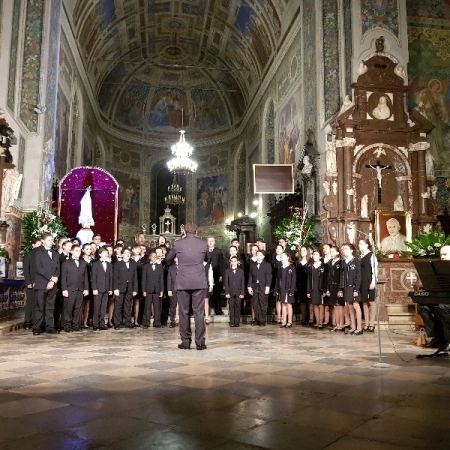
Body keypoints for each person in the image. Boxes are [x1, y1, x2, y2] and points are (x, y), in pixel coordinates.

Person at [165, 222, 208, 350]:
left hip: (183, 281)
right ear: (196, 232)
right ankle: (200, 342)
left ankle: (185, 342)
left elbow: (168, 258)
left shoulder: (178, 244)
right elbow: (208, 259)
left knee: (183, 312)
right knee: (199, 312)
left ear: (184, 231)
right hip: (199, 280)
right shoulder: (203, 243)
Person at [417, 245, 450, 352]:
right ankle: (438, 338)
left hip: (446, 302)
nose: (442, 257)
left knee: (442, 307)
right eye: (441, 255)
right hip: (443, 299)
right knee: (423, 306)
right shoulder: (438, 268)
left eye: (445, 254)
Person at [32, 233, 60, 335]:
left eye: (52, 240)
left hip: (52, 284)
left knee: (50, 306)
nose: (51, 242)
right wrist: (50, 278)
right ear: (43, 241)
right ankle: (37, 327)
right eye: (49, 240)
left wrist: (53, 280)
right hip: (41, 283)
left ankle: (50, 326)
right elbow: (39, 268)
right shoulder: (37, 252)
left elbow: (57, 268)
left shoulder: (55, 253)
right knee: (39, 306)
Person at [60, 245, 89, 332]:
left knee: (78, 308)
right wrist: (64, 289)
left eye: (79, 251)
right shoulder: (66, 262)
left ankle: (76, 324)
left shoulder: (83, 263)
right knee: (68, 308)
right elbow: (63, 277)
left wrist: (86, 288)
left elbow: (85, 277)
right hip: (69, 289)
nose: (78, 252)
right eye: (76, 250)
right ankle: (67, 324)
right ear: (71, 251)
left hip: (80, 289)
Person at [113, 248, 138, 329]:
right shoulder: (117, 264)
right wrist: (115, 288)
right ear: (122, 254)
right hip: (120, 287)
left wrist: (135, 289)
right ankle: (117, 323)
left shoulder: (133, 264)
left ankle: (127, 322)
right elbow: (115, 277)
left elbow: (135, 278)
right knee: (118, 306)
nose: (127, 254)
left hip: (130, 287)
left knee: (128, 306)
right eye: (126, 253)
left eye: (129, 253)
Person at [341, 244, 363, 335]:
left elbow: (359, 276)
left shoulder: (356, 261)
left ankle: (359, 327)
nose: (344, 251)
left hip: (353, 287)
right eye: (343, 249)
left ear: (351, 251)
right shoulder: (344, 262)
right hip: (347, 288)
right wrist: (341, 289)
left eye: (346, 249)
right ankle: (353, 326)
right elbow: (342, 276)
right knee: (350, 307)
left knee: (355, 306)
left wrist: (356, 289)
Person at [247, 250, 272, 326]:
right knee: (255, 303)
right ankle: (256, 319)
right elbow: (250, 276)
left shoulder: (267, 265)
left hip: (263, 286)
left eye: (260, 255)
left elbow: (268, 276)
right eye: (257, 255)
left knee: (263, 303)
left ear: (263, 257)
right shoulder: (253, 265)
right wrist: (249, 287)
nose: (259, 257)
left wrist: (267, 287)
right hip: (255, 286)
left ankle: (262, 320)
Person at [91, 247, 112, 331]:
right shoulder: (95, 264)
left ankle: (102, 323)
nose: (106, 254)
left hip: (106, 288)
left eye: (107, 253)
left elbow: (110, 277)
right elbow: (93, 277)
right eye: (104, 253)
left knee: (104, 307)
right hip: (98, 289)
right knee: (96, 307)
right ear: (99, 254)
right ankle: (95, 323)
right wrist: (94, 288)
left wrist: (110, 288)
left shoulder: (109, 265)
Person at [307, 249, 329, 329]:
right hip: (313, 288)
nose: (315, 256)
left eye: (316, 255)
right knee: (315, 305)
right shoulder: (310, 267)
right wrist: (308, 290)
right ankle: (317, 321)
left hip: (321, 289)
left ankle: (321, 322)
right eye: (314, 254)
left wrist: (325, 290)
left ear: (320, 257)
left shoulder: (324, 266)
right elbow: (309, 279)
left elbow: (326, 279)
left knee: (321, 305)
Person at [359, 239, 377, 332]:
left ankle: (372, 324)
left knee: (371, 301)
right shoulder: (361, 255)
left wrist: (373, 282)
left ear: (367, 245)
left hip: (369, 280)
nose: (359, 245)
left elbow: (374, 270)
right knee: (364, 302)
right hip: (362, 281)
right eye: (359, 244)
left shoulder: (371, 255)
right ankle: (366, 324)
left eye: (361, 244)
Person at [142, 251, 164, 328]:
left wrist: (161, 290)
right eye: (152, 256)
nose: (154, 258)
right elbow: (144, 279)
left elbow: (161, 279)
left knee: (157, 307)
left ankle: (157, 323)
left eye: (155, 256)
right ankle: (146, 323)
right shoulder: (146, 266)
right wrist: (144, 290)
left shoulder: (159, 266)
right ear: (149, 257)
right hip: (148, 289)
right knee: (147, 306)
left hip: (157, 289)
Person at [23, 238, 42, 330]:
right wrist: (29, 282)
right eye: (37, 244)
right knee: (30, 302)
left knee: (37, 303)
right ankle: (27, 321)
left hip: (39, 283)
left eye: (40, 244)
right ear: (33, 245)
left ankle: (35, 321)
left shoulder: (41, 256)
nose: (39, 246)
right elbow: (26, 270)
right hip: (31, 282)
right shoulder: (29, 255)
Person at [224, 256, 245, 327]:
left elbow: (242, 283)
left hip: (238, 292)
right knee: (231, 307)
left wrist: (242, 293)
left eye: (235, 261)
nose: (233, 262)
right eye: (232, 261)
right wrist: (227, 292)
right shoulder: (227, 271)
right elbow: (226, 283)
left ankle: (237, 322)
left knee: (238, 307)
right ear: (230, 262)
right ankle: (232, 321)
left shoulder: (241, 271)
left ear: (237, 262)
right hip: (231, 292)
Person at [278, 252, 296, 328]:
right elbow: (278, 279)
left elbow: (293, 280)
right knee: (283, 304)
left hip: (289, 289)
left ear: (288, 257)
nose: (282, 258)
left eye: (283, 257)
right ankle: (284, 321)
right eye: (281, 257)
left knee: (289, 304)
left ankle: (289, 321)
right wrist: (277, 288)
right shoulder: (281, 267)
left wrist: (292, 290)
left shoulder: (291, 267)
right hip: (282, 289)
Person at [206, 236, 224, 315]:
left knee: (217, 292)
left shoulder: (218, 251)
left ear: (214, 242)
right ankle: (207, 310)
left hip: (216, 274)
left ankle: (218, 309)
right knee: (207, 293)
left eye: (212, 241)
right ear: (207, 242)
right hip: (206, 275)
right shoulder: (204, 251)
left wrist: (221, 275)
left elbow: (221, 263)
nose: (210, 242)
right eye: (209, 241)